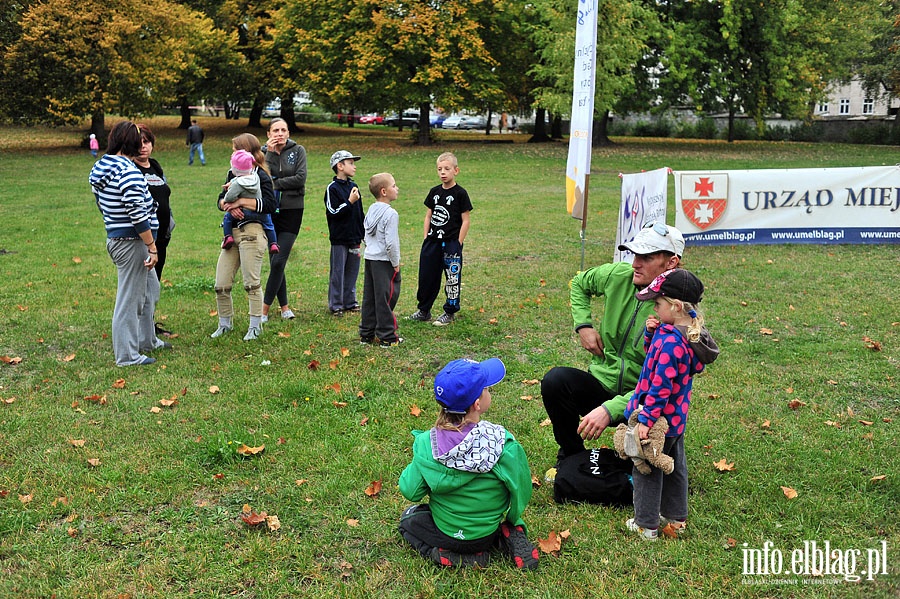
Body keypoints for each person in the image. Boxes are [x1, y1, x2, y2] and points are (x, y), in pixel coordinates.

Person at [540, 222, 686, 480]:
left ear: (671, 262)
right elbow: (579, 283)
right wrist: (583, 326)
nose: (635, 264)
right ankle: (572, 460)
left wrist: (611, 408)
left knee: (656, 473)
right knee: (556, 381)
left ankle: (648, 459)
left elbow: (659, 386)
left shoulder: (678, 311)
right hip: (603, 381)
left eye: (646, 257)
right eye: (634, 254)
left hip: (649, 403)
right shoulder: (619, 275)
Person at [398, 358, 539, 570]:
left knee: (408, 521)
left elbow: (410, 491)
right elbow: (521, 488)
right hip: (485, 533)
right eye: (487, 388)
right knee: (490, 525)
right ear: (477, 404)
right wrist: (513, 518)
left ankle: (442, 554)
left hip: (446, 532)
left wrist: (420, 459)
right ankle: (505, 533)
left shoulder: (427, 444)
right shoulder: (503, 443)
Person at [623, 268, 718, 540]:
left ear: (675, 306)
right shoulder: (685, 336)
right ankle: (676, 519)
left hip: (658, 421)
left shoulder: (671, 344)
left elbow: (659, 386)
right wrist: (652, 335)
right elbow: (656, 360)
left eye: (657, 303)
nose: (653, 307)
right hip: (676, 420)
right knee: (675, 466)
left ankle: (646, 524)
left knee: (647, 468)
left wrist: (646, 420)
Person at [89, 120, 171, 366]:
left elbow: (101, 203)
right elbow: (137, 213)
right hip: (132, 242)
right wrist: (151, 245)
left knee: (150, 290)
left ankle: (148, 340)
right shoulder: (127, 170)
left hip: (122, 239)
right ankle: (127, 355)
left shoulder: (103, 166)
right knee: (130, 300)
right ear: (130, 143)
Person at [211, 133, 277, 341]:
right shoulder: (234, 172)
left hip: (253, 232)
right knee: (221, 283)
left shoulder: (262, 176)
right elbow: (221, 199)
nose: (232, 152)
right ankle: (224, 324)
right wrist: (227, 206)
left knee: (251, 283)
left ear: (246, 151)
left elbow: (270, 205)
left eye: (235, 148)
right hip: (233, 232)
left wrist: (240, 203)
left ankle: (255, 326)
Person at [408, 152, 472, 326]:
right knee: (427, 276)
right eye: (439, 169)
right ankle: (424, 310)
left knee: (452, 278)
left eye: (447, 169)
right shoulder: (434, 192)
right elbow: (428, 216)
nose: (443, 172)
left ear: (456, 170)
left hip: (451, 243)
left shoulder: (460, 193)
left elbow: (466, 220)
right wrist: (426, 237)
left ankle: (449, 312)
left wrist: (458, 243)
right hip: (432, 242)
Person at [262, 118, 307, 323]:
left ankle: (263, 310)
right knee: (275, 262)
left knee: (279, 260)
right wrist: (270, 154)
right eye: (275, 130)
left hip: (292, 210)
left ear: (288, 133)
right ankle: (285, 307)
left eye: (283, 130)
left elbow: (300, 178)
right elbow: (263, 179)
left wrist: (276, 183)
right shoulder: (263, 154)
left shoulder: (298, 151)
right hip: (270, 211)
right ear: (269, 134)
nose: (279, 134)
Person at [134, 124, 175, 336]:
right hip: (143, 237)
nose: (143, 147)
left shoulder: (156, 167)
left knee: (154, 282)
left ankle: (149, 325)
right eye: (139, 143)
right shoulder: (130, 169)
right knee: (141, 284)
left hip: (161, 237)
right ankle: (139, 328)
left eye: (147, 142)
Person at [359, 173, 401, 346]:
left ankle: (366, 334)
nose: (397, 188)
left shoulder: (371, 210)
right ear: (384, 191)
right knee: (387, 297)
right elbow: (391, 243)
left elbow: (365, 234)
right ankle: (387, 337)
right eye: (394, 185)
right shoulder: (391, 214)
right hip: (384, 261)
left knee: (370, 297)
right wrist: (395, 262)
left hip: (370, 259)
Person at [324, 150, 364, 316]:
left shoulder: (354, 186)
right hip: (339, 238)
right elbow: (333, 212)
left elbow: (359, 212)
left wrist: (363, 232)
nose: (354, 167)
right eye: (351, 163)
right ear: (340, 166)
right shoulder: (332, 189)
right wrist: (349, 202)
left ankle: (350, 301)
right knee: (338, 272)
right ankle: (336, 304)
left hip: (354, 237)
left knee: (352, 271)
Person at [221, 150, 279, 255]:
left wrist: (229, 201)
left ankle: (227, 237)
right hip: (260, 214)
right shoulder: (257, 176)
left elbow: (228, 197)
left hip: (245, 213)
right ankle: (273, 243)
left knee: (227, 218)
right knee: (269, 225)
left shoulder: (237, 183)